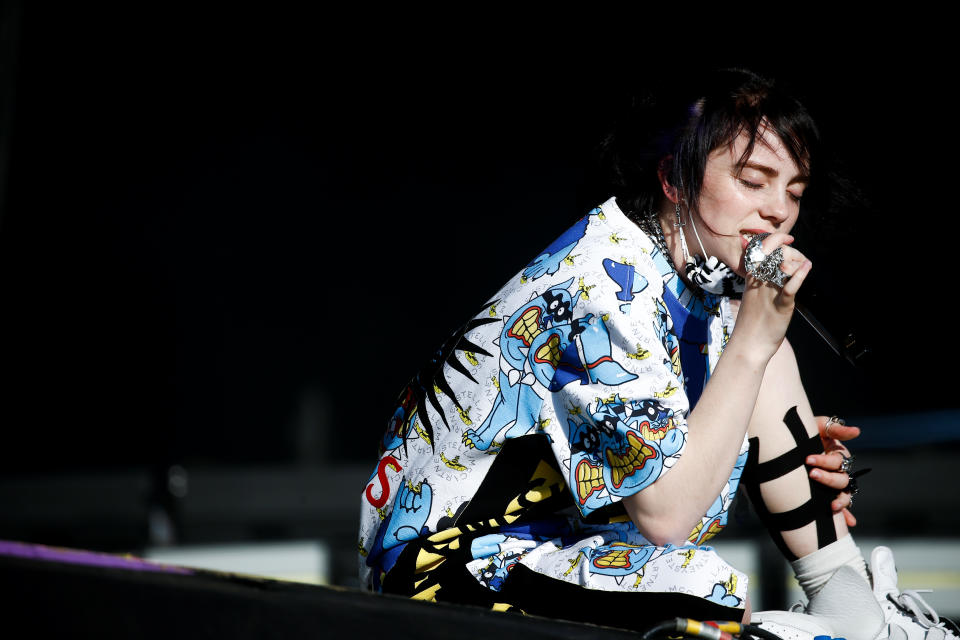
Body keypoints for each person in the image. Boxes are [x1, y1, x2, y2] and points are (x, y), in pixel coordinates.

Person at [358, 69, 956, 638]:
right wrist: (747, 354)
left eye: (793, 192)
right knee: (698, 589)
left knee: (765, 358)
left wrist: (783, 454)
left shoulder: (705, 284)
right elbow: (667, 518)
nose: (778, 210)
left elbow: (702, 435)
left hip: (568, 543)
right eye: (752, 182)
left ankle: (852, 597)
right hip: (454, 564)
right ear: (674, 180)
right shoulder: (600, 287)